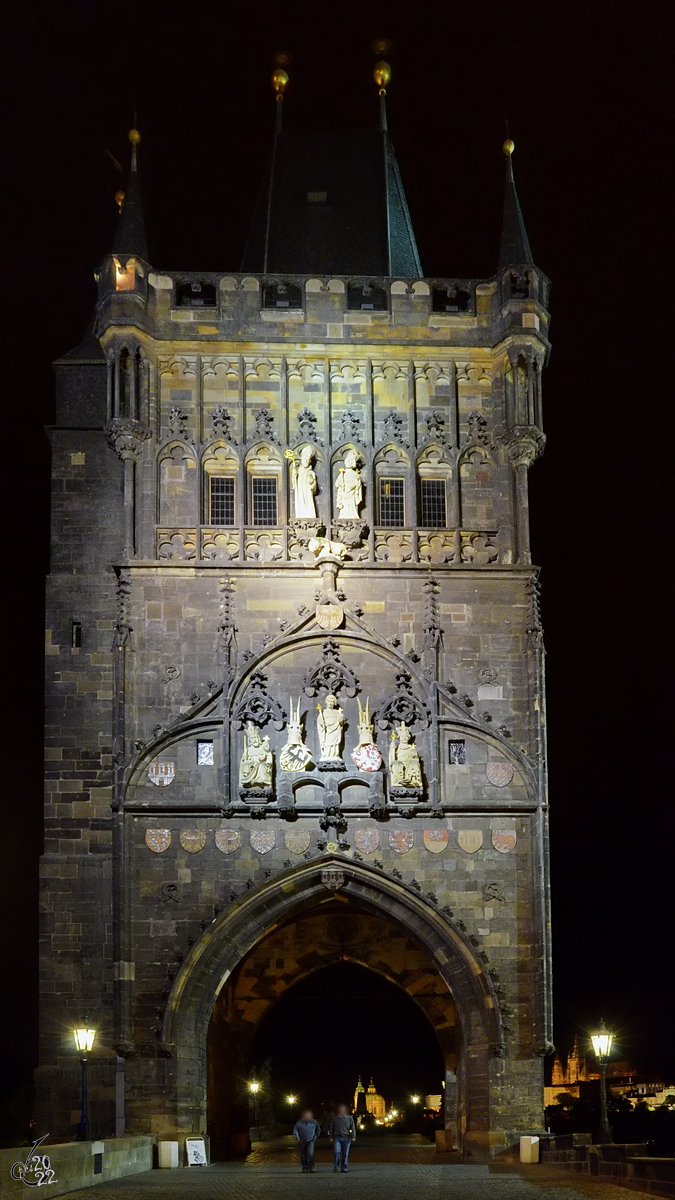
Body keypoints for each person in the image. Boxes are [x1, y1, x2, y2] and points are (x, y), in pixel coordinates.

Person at [329, 1103, 356, 1173]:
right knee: (336, 1152)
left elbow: (353, 1127)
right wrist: (331, 1137)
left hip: (347, 1137)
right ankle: (336, 1166)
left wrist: (353, 1136)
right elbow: (331, 1128)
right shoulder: (335, 1118)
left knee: (345, 1153)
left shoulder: (349, 1118)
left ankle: (344, 1167)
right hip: (337, 1137)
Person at [293, 1109, 321, 1173]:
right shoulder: (299, 1123)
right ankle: (305, 1167)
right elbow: (295, 1130)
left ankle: (312, 1167)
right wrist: (297, 1137)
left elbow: (318, 1130)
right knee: (303, 1155)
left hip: (311, 1140)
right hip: (302, 1141)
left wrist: (315, 1137)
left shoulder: (314, 1122)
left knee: (310, 1154)